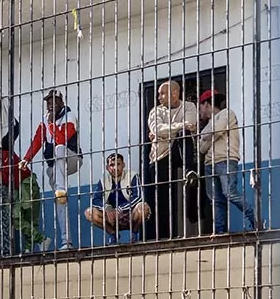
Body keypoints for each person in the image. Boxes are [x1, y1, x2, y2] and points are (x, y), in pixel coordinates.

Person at [22, 89, 81, 249]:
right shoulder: (44, 120)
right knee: (60, 202)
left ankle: (61, 188)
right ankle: (66, 241)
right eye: (48, 102)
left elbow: (62, 139)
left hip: (72, 158)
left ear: (62, 103)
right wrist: (27, 159)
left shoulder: (70, 116)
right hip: (55, 166)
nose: (50, 105)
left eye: (54, 101)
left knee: (59, 148)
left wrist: (51, 124)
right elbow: (37, 141)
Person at [145, 81, 201, 239]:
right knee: (161, 197)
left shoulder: (189, 106)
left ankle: (189, 170)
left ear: (175, 93)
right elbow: (156, 128)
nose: (158, 97)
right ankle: (162, 236)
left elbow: (191, 124)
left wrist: (168, 131)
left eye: (162, 93)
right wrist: (180, 125)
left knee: (184, 134)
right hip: (160, 155)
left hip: (180, 150)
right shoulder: (155, 111)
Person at [197, 89, 257, 233]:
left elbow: (215, 132)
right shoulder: (208, 125)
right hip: (209, 164)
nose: (199, 111)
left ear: (206, 104)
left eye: (200, 107)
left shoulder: (227, 114)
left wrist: (206, 135)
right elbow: (201, 148)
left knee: (229, 193)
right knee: (216, 200)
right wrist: (210, 134)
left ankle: (255, 218)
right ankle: (219, 231)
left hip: (226, 160)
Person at [85, 153, 151, 240]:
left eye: (118, 164)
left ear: (123, 165)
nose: (115, 168)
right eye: (112, 165)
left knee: (143, 207)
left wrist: (120, 209)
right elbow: (95, 200)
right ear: (107, 168)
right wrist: (107, 208)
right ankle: (113, 235)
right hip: (112, 218)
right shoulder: (104, 180)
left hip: (130, 215)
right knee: (89, 212)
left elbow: (138, 197)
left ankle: (134, 233)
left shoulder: (132, 176)